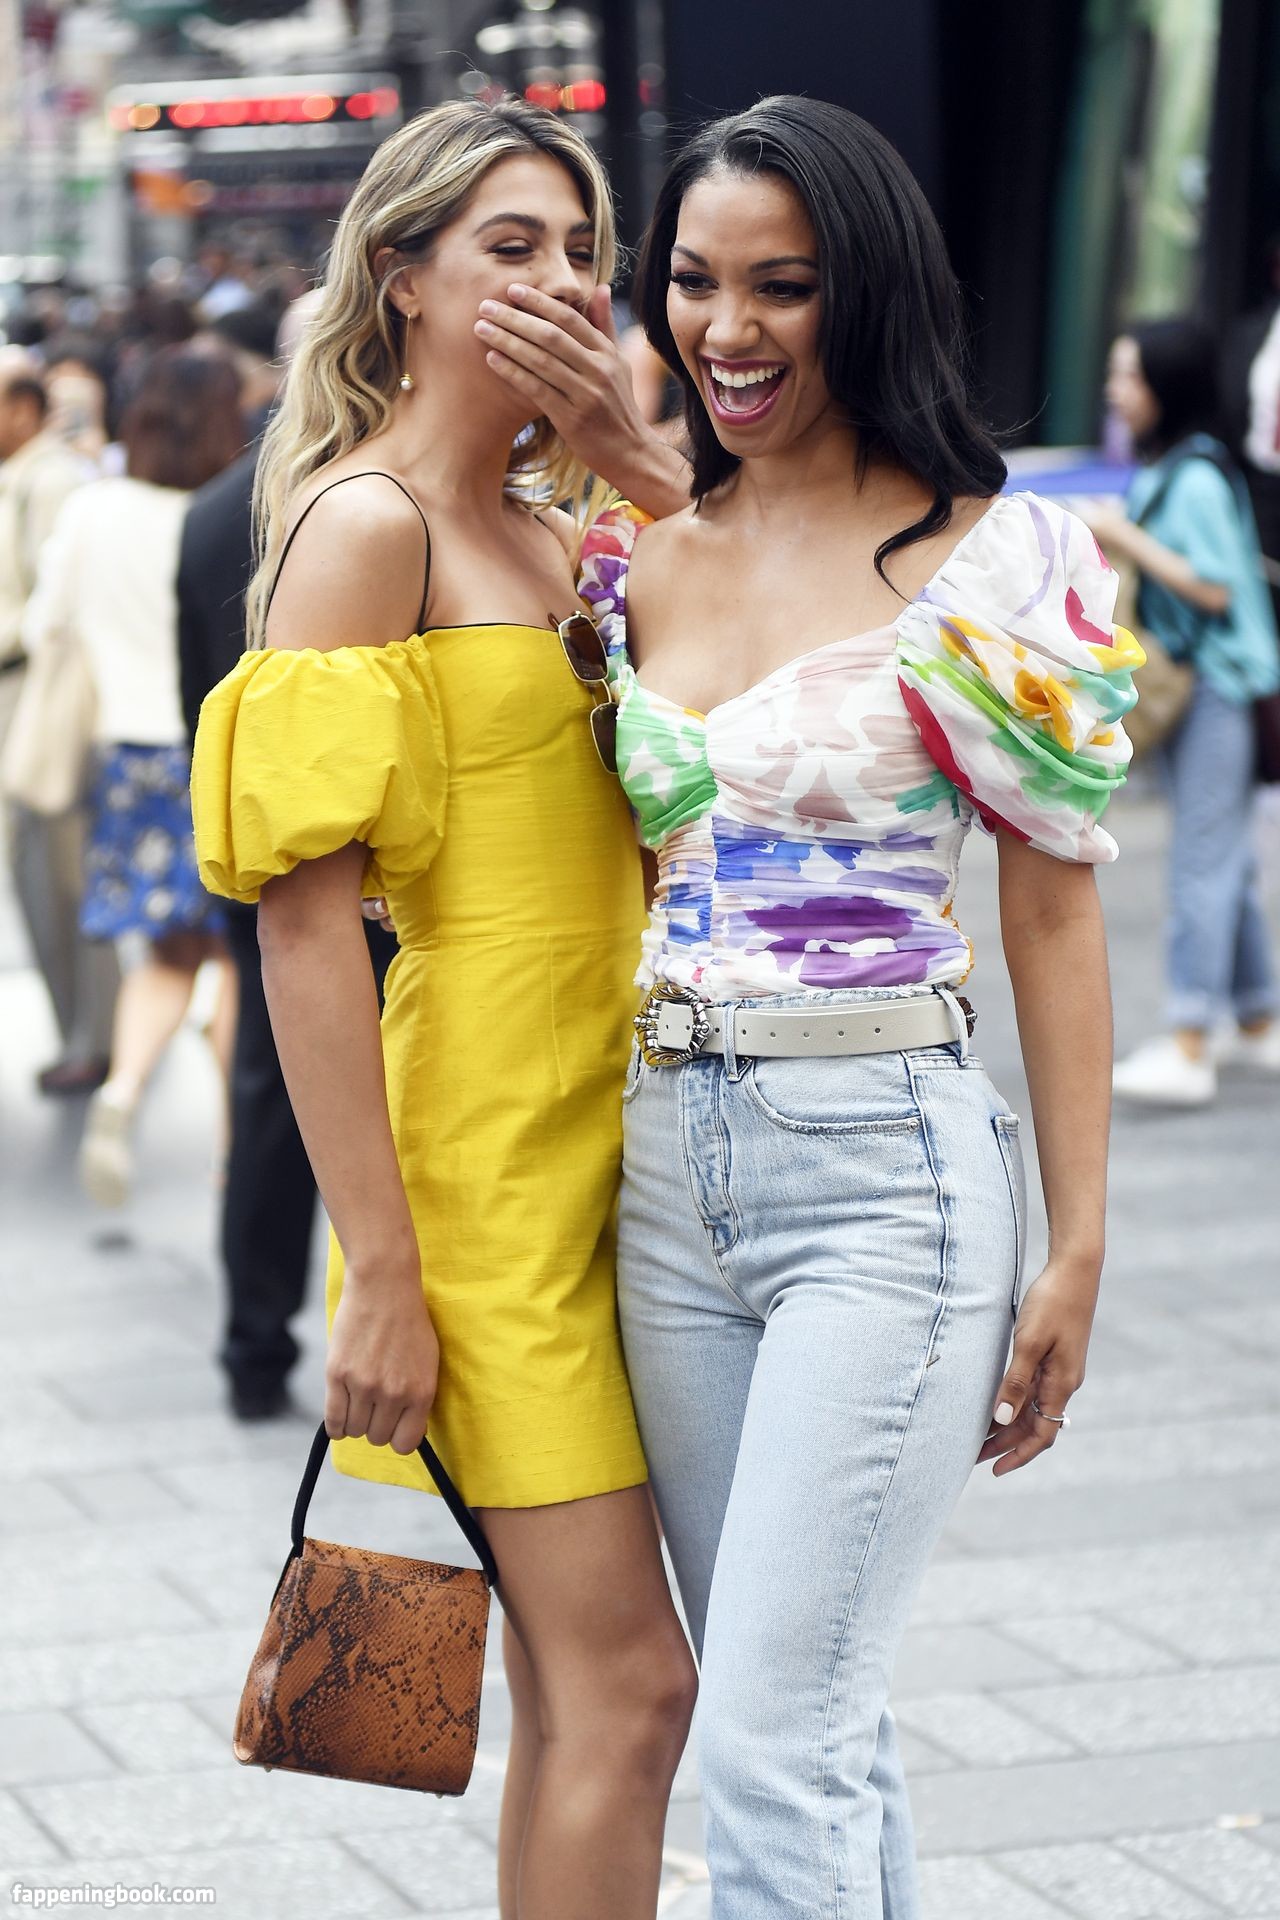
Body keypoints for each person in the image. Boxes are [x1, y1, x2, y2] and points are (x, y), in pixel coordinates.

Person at [562, 96, 1137, 1917]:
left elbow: (1053, 910)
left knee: (772, 1744)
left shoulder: (991, 563)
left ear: (866, 290)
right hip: (667, 1172)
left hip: (885, 1167)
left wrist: (1078, 1244)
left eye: (783, 287)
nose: (726, 330)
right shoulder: (640, 560)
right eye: (694, 282)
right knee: (811, 1717)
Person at [190, 99, 693, 1920]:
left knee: (582, 1695)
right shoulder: (366, 526)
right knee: (634, 1689)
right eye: (510, 245)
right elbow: (302, 936)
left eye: (583, 251)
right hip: (479, 1191)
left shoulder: (565, 533)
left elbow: (780, 637)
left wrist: (634, 460)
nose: (560, 280)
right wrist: (382, 1274)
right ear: (401, 278)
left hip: (626, 1154)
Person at [176, 334, 397, 1423]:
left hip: (252, 836)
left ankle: (253, 1343)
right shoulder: (380, 510)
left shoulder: (215, 510)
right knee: (373, 1081)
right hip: (371, 868)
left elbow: (194, 697)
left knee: (267, 1098)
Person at [23, 348, 246, 1202]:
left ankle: (121, 1091)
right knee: (237, 956)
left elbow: (46, 626)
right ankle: (232, 1143)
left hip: (129, 756)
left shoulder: (94, 508)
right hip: (218, 752)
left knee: (164, 952)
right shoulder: (230, 511)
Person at [1090, 320, 1280, 1106]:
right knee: (1223, 858)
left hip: (1215, 685)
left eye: (1129, 375)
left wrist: (1118, 532)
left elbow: (1213, 588)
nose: (1115, 391)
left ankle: (1190, 1041)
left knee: (1203, 861)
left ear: (1168, 386)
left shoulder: (1193, 477)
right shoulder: (1181, 467)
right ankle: (1259, 1021)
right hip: (1208, 684)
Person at [0, 348, 117, 1094]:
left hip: (42, 697)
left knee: (62, 875)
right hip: (25, 695)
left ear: (22, 409)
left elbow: (54, 611)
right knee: (39, 875)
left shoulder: (51, 483)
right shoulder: (28, 478)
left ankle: (93, 1037)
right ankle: (82, 1031)